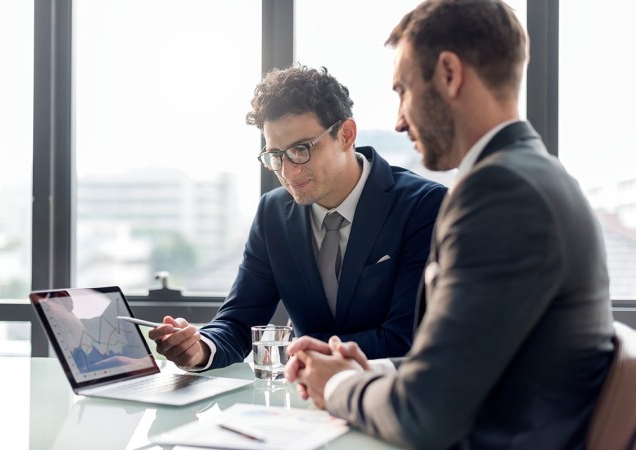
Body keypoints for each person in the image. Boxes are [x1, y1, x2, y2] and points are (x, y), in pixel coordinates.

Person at [285, 1, 616, 448]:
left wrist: (336, 387)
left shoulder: (502, 193)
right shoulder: (530, 176)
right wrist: (368, 370)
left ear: (449, 74)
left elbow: (424, 415)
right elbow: (469, 364)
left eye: (402, 90)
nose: (399, 121)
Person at [148, 65, 447, 371]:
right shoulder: (272, 213)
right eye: (276, 155)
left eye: (301, 149)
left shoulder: (423, 206)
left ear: (346, 134)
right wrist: (199, 347)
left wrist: (306, 355)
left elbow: (406, 339)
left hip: (390, 399)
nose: (289, 172)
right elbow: (238, 321)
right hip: (302, 402)